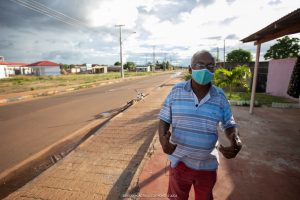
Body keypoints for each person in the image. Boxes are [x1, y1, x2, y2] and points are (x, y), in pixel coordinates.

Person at [158, 50, 242, 200]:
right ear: (190, 69)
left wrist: (234, 138)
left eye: (210, 66)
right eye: (200, 65)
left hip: (207, 165)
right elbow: (164, 118)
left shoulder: (220, 96)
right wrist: (162, 140)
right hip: (179, 162)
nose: (205, 70)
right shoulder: (176, 91)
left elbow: (229, 123)